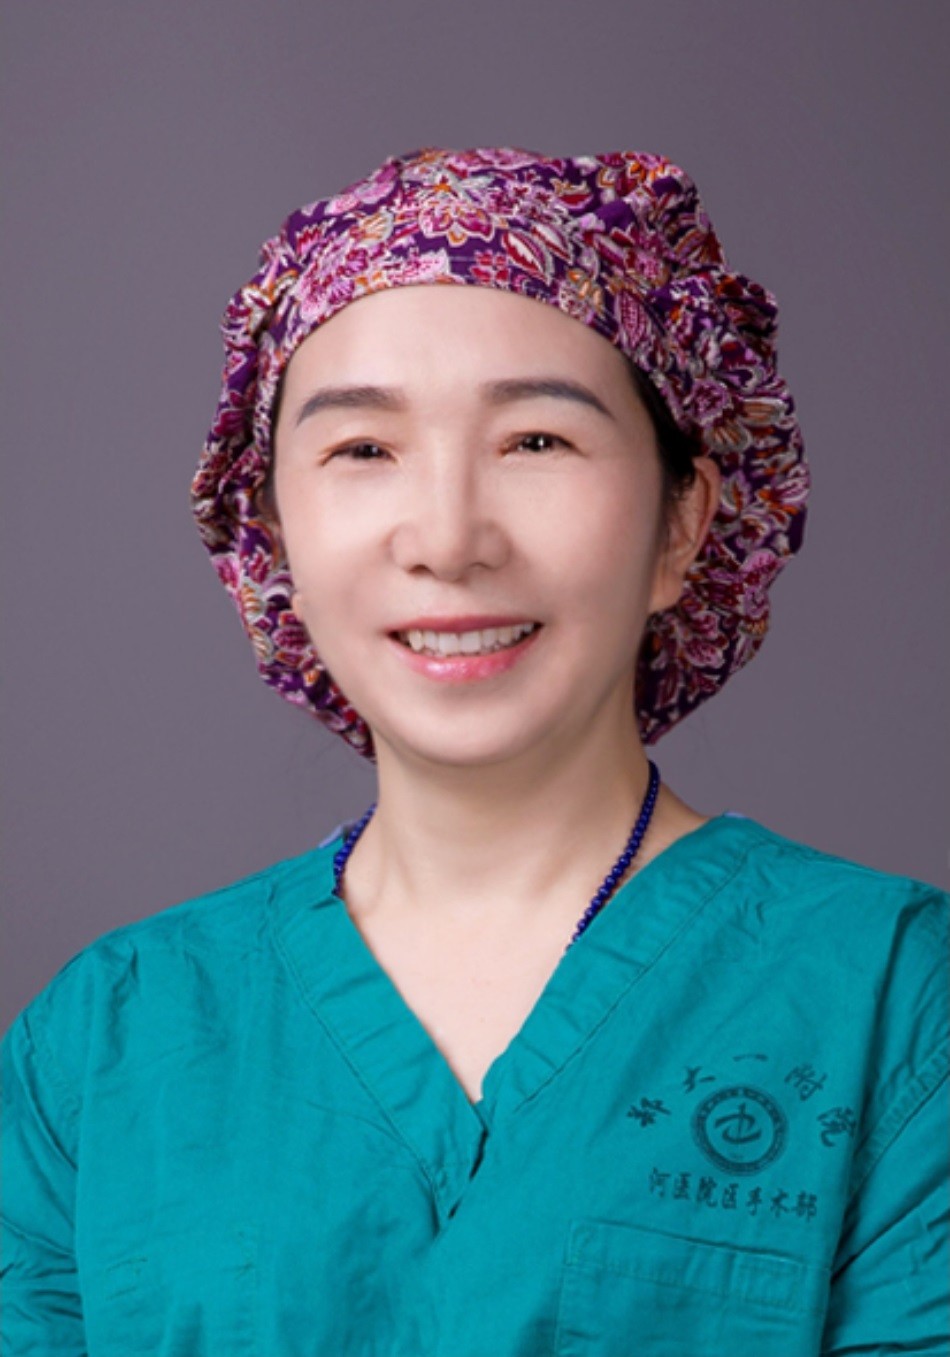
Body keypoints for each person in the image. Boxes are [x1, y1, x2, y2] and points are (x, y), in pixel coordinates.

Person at [2, 146, 947, 1356]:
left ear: (681, 523)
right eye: (362, 449)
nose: (446, 539)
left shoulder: (890, 1001)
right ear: (272, 533)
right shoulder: (107, 1040)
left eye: (536, 442)